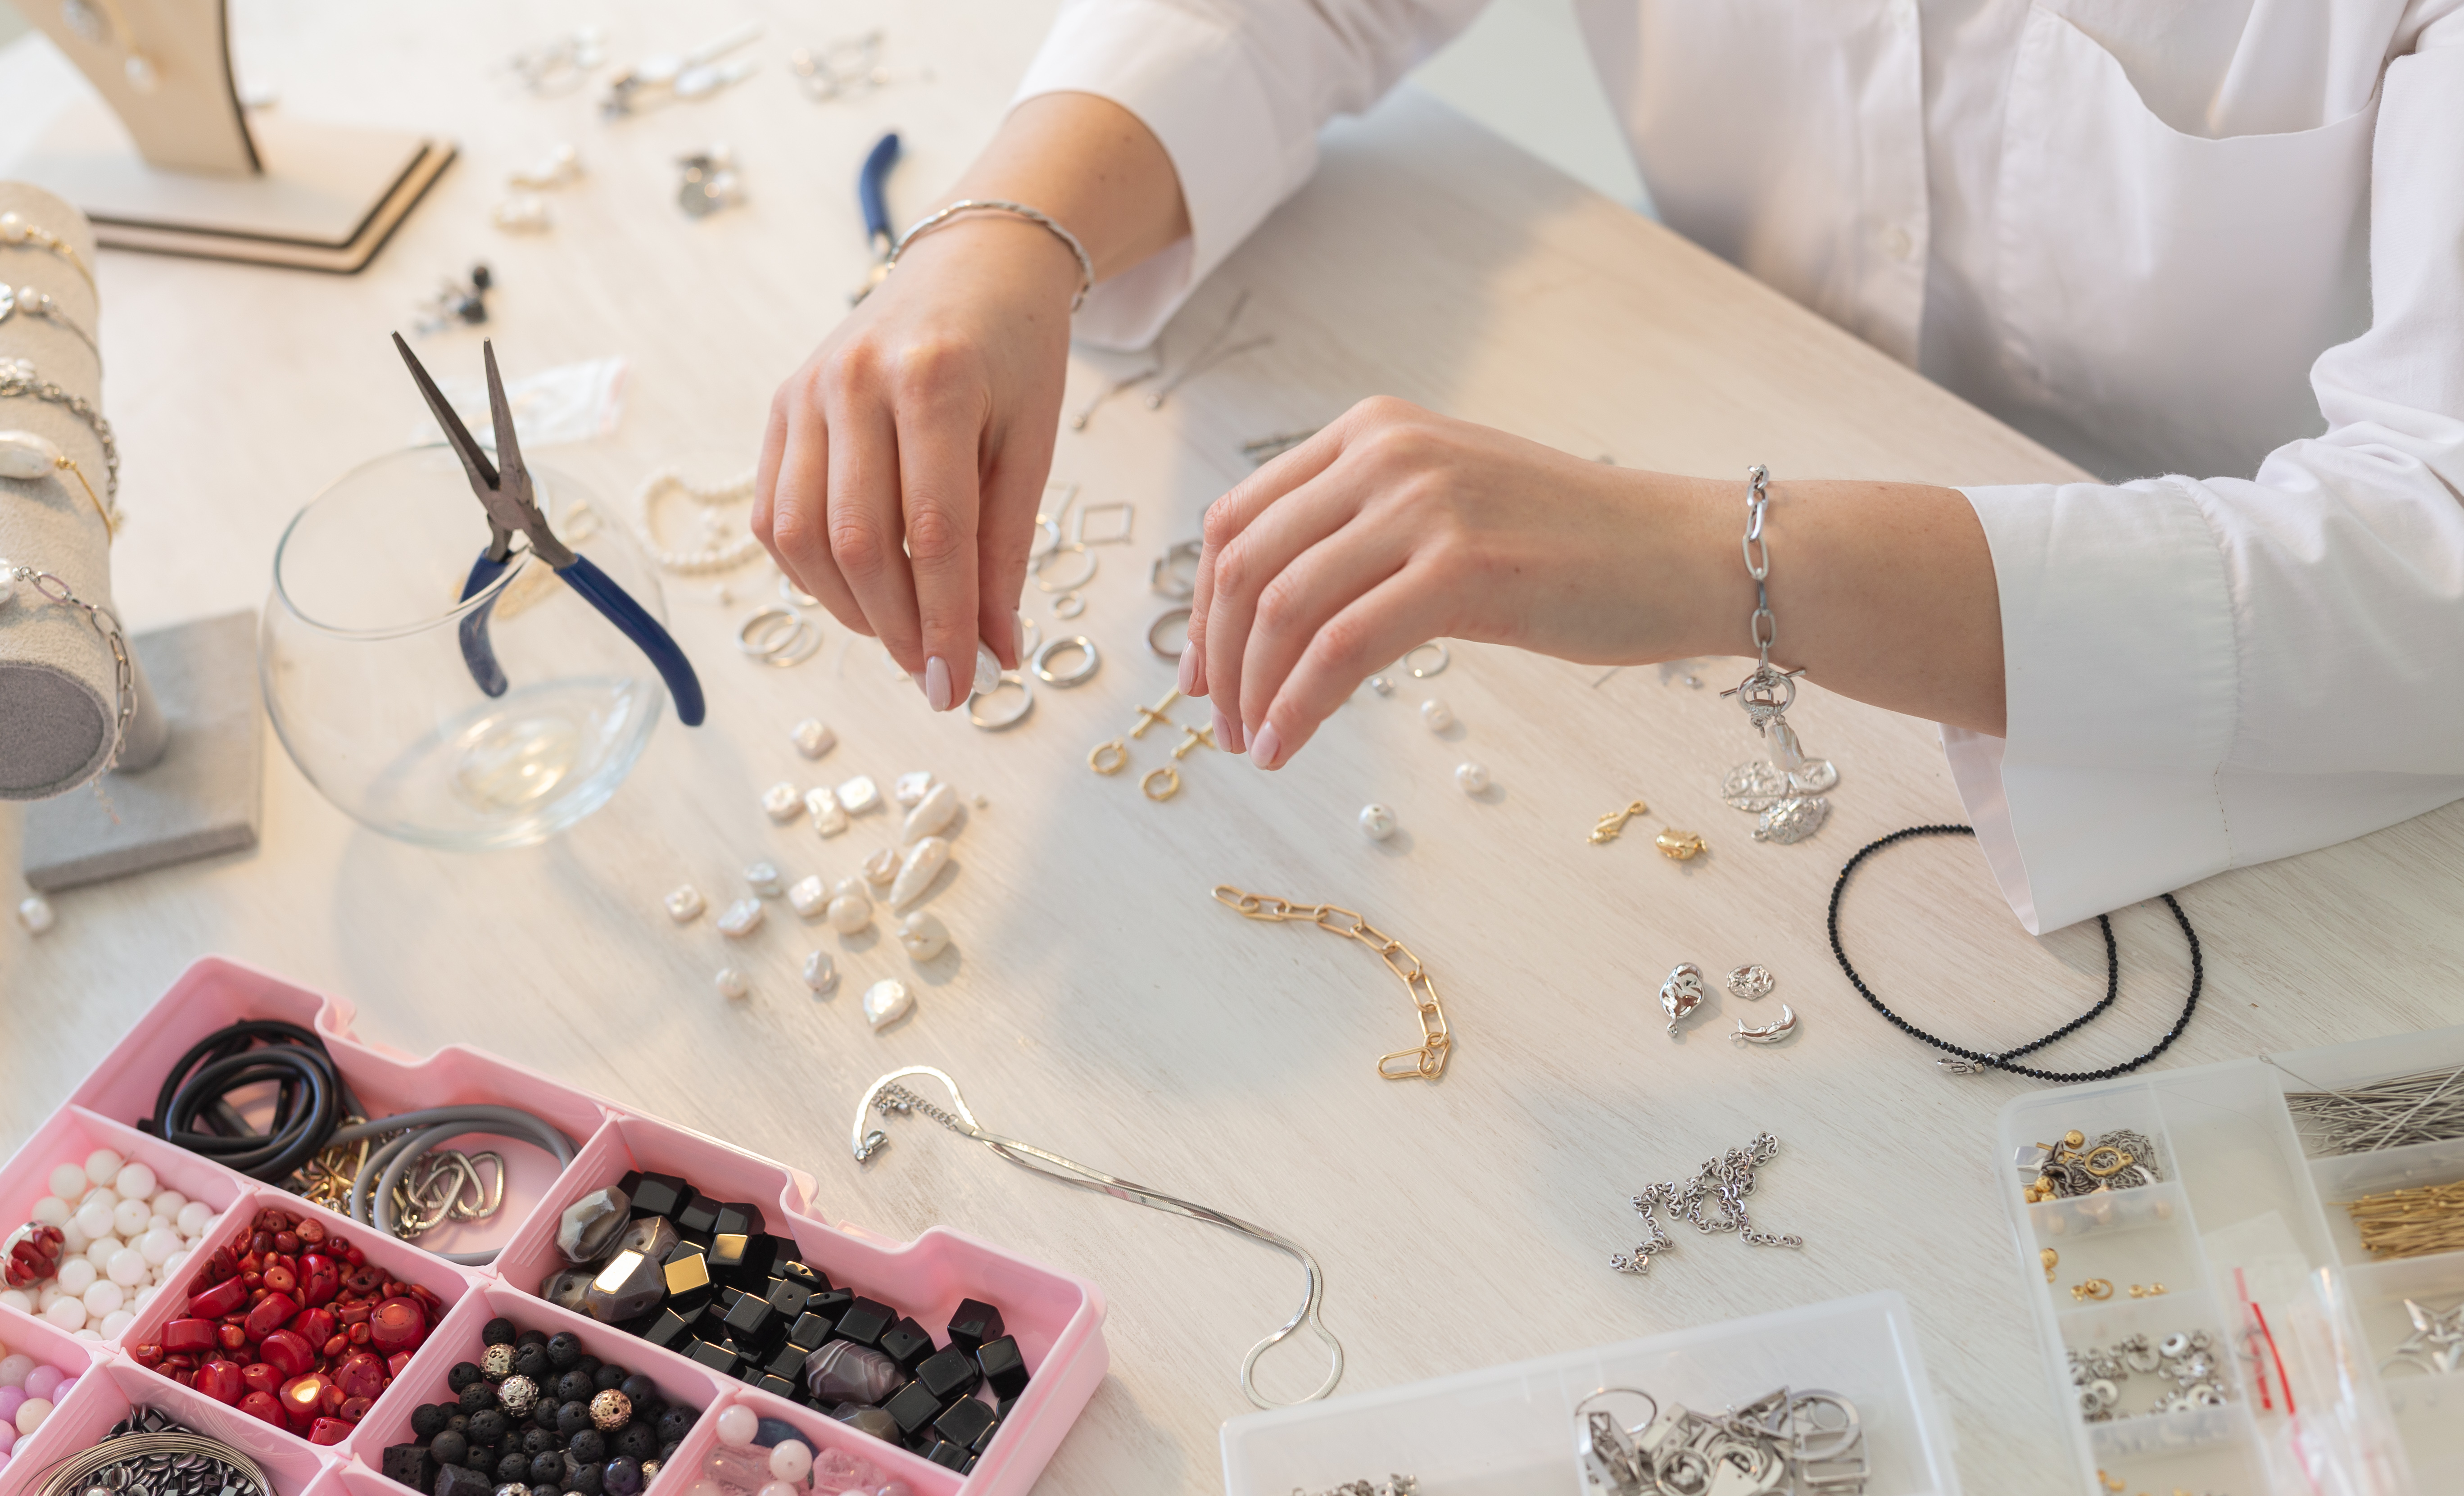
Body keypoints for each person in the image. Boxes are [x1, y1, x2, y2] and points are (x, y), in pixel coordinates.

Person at [752, 0, 2464, 934]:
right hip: (1737, 384)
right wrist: (999, 238)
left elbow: (2435, 555)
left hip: (2285, 716)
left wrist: (1715, 560)